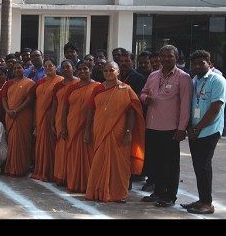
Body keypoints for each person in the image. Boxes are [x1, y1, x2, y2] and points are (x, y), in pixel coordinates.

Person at [84, 62, 145, 203]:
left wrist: (128, 131)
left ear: (118, 72)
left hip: (119, 132)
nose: (108, 73)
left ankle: (119, 194)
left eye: (112, 70)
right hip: (100, 129)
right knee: (99, 160)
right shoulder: (98, 88)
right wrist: (87, 130)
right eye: (105, 70)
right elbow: (90, 110)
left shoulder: (126, 89)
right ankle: (97, 192)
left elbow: (131, 113)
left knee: (120, 164)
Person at [139, 45, 192, 207]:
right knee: (155, 162)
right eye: (164, 56)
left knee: (170, 164)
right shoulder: (153, 75)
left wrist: (181, 128)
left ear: (176, 58)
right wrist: (145, 98)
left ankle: (170, 196)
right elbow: (142, 92)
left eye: (170, 56)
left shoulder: (183, 77)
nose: (166, 59)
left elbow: (185, 105)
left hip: (171, 128)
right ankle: (158, 192)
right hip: (152, 125)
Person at [181, 50, 225, 214]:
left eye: (202, 63)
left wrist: (197, 128)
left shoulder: (217, 80)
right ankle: (201, 199)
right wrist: (190, 128)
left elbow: (215, 109)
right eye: (195, 64)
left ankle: (207, 203)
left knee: (204, 166)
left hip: (209, 131)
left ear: (210, 63)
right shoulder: (194, 80)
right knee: (198, 166)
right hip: (194, 131)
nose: (198, 66)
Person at [62, 62, 97, 193]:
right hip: (72, 126)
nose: (83, 71)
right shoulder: (72, 88)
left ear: (91, 70)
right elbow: (65, 108)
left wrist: (89, 129)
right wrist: (64, 127)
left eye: (85, 69)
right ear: (76, 71)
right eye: (80, 69)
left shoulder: (97, 87)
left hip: (89, 126)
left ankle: (88, 183)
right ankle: (74, 182)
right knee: (73, 155)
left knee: (88, 155)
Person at [31, 58, 63, 182]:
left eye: (51, 65)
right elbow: (36, 101)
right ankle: (41, 170)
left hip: (51, 116)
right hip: (39, 116)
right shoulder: (40, 82)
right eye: (46, 66)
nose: (48, 68)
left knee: (50, 145)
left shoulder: (60, 81)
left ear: (56, 67)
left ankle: (49, 171)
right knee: (41, 145)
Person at [2, 61, 35, 177]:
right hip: (10, 115)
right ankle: (11, 167)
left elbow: (30, 100)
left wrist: (17, 110)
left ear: (24, 69)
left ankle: (22, 169)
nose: (17, 70)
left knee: (23, 142)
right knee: (12, 142)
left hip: (22, 116)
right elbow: (4, 98)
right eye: (15, 68)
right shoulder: (9, 83)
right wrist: (8, 111)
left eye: (19, 68)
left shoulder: (30, 83)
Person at [52, 60, 79, 185]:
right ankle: (61, 176)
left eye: (68, 67)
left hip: (75, 119)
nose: (65, 69)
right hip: (60, 119)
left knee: (73, 149)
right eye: (63, 67)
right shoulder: (58, 85)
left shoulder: (80, 83)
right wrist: (53, 121)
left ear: (73, 68)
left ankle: (71, 176)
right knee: (61, 148)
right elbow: (55, 104)